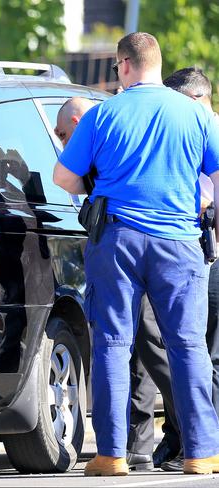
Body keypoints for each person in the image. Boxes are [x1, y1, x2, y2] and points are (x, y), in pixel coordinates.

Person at [53, 32, 219, 476]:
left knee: (112, 343)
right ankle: (202, 453)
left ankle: (112, 455)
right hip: (180, 244)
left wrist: (98, 180)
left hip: (117, 240)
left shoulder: (104, 114)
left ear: (124, 65)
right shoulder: (195, 114)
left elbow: (63, 178)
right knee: (188, 346)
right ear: (158, 65)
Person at [127, 66, 219, 472]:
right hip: (182, 249)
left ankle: (198, 437)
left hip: (199, 253)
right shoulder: (188, 126)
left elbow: (202, 194)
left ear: (194, 100)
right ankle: (181, 435)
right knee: (167, 345)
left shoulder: (202, 128)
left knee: (199, 351)